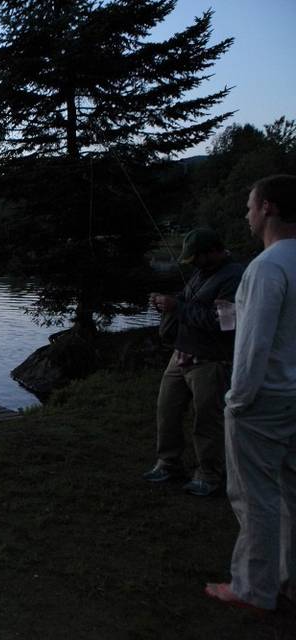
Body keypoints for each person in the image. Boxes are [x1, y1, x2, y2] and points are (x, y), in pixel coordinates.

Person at [205, 174, 296, 611]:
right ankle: (289, 579)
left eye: (249, 204)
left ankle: (252, 589)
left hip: (263, 402)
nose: (245, 213)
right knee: (292, 493)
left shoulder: (268, 267)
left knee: (255, 497)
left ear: (268, 209)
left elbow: (256, 345)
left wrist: (237, 400)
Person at [142, 228, 243, 496]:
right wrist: (166, 303)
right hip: (182, 353)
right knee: (167, 410)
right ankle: (169, 464)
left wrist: (177, 308)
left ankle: (209, 475)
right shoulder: (202, 272)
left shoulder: (234, 277)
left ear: (212, 252)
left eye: (195, 258)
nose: (192, 264)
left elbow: (225, 323)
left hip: (211, 360)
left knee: (207, 421)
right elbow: (188, 302)